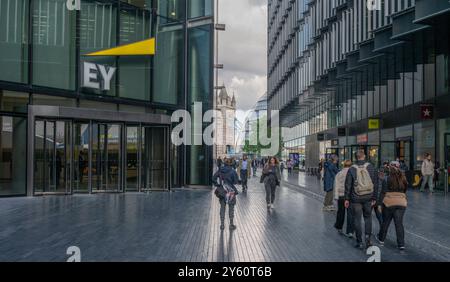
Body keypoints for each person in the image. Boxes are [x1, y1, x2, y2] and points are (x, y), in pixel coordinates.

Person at [344, 150, 379, 250]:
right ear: (364, 156)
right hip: (368, 197)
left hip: (355, 198)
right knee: (368, 218)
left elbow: (348, 185)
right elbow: (376, 184)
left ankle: (359, 242)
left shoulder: (352, 169)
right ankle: (368, 240)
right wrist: (374, 198)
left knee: (357, 219)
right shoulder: (371, 167)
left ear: (356, 157)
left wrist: (347, 199)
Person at [377, 161, 408, 251]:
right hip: (401, 203)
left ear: (390, 169)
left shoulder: (386, 179)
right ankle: (401, 244)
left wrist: (379, 204)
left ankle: (381, 239)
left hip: (389, 203)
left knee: (385, 222)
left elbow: (383, 192)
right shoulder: (403, 178)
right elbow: (405, 190)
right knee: (399, 224)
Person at [212, 158, 240, 230]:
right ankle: (231, 224)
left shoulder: (220, 170)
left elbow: (213, 178)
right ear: (231, 163)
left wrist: (218, 185)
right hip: (231, 191)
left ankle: (222, 225)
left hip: (222, 192)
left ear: (224, 163)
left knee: (222, 208)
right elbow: (236, 182)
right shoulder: (233, 171)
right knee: (231, 208)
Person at [334, 160, 354, 237]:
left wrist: (336, 196)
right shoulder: (353, 173)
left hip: (341, 196)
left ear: (344, 165)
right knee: (350, 214)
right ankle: (350, 231)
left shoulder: (339, 173)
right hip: (350, 196)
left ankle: (339, 227)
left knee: (341, 212)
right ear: (351, 165)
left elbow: (336, 185)